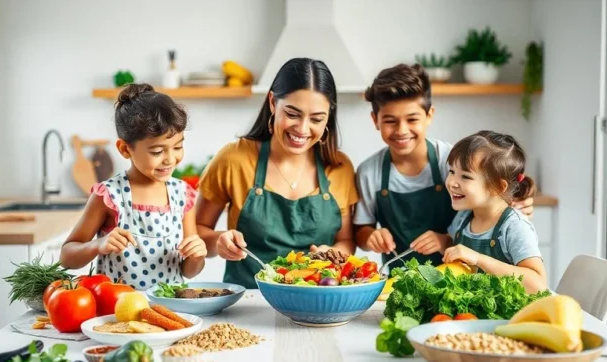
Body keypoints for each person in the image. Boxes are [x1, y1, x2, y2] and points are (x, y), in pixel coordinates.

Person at [196, 58, 359, 289]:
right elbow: (196, 233)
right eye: (293, 114)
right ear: (273, 102)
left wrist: (332, 254)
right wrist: (218, 242)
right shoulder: (234, 159)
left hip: (318, 300)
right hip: (248, 303)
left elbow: (346, 240)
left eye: (316, 119)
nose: (302, 129)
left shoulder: (340, 167)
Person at [353, 63, 534, 272]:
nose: (402, 130)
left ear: (429, 115)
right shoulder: (369, 172)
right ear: (375, 120)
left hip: (456, 272)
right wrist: (371, 236)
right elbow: (360, 232)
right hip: (399, 277)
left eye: (412, 119)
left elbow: (498, 187)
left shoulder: (452, 161)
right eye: (390, 121)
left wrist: (518, 200)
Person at [60, 83, 207, 290]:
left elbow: (188, 271)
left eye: (178, 147)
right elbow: (67, 256)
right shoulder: (109, 195)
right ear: (125, 149)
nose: (170, 159)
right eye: (157, 152)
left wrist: (197, 256)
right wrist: (98, 245)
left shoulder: (183, 194)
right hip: (117, 314)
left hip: (170, 312)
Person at [442, 130, 547, 293]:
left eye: (466, 177)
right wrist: (442, 242)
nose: (452, 183)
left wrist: (478, 259)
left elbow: (538, 284)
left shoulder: (514, 227)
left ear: (497, 186)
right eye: (451, 172)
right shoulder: (463, 217)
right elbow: (457, 250)